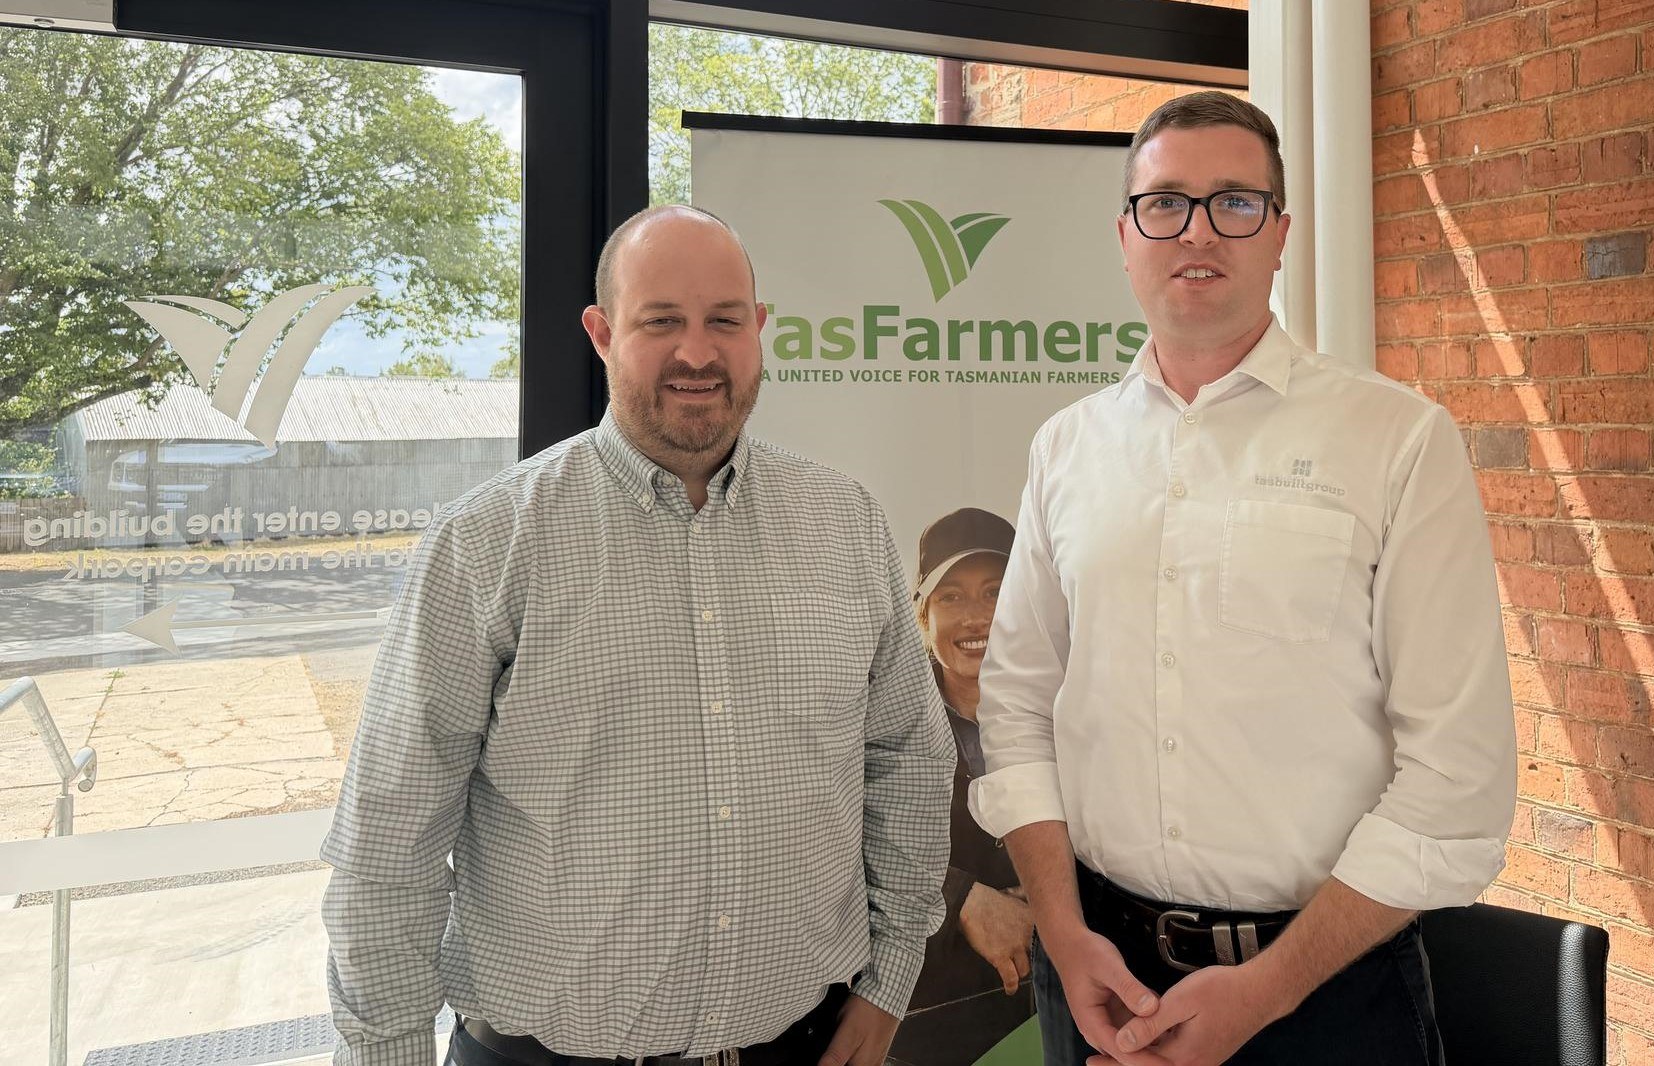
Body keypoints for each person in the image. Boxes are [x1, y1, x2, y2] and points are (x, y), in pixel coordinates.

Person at [321, 204, 955, 1066]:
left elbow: (909, 759)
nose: (697, 352)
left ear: (759, 329)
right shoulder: (487, 544)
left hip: (805, 1042)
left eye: (724, 320)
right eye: (661, 321)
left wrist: (890, 981)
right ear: (601, 331)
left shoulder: (844, 524)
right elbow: (389, 841)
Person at [968, 90, 1517, 1066]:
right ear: (1126, 234)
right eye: (1165, 203)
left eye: (1235, 202)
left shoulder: (1395, 440)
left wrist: (1267, 992)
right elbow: (1015, 705)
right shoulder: (1066, 450)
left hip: (1325, 996)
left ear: (1280, 233)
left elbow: (1458, 782)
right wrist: (1060, 930)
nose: (1198, 230)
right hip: (1098, 977)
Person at [887, 508, 1034, 1066]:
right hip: (930, 1025)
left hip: (1066, 1009)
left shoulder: (1077, 714)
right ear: (920, 614)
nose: (975, 618)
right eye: (950, 597)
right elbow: (830, 839)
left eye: (995, 592)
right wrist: (959, 898)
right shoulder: (877, 721)